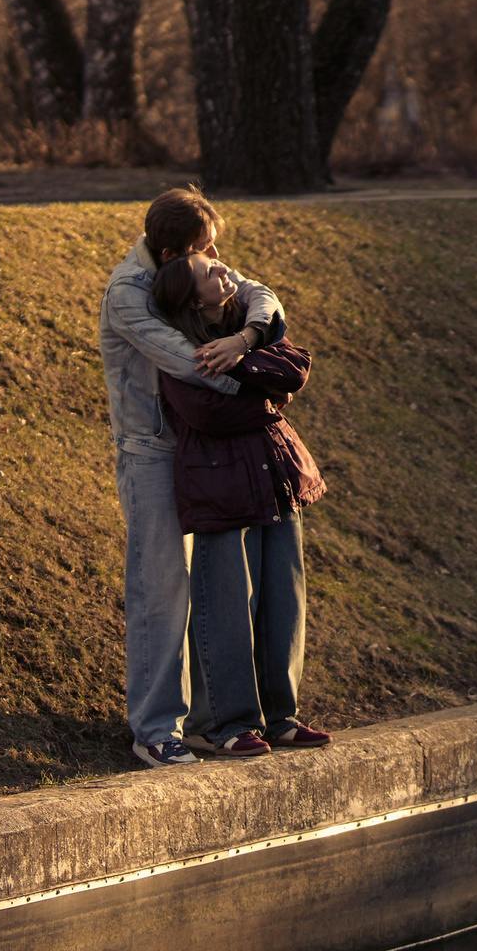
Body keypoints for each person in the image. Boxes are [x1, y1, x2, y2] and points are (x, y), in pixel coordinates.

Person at [99, 187, 284, 768]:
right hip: (153, 451)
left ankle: (215, 724)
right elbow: (187, 362)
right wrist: (262, 384)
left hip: (205, 448)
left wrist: (246, 339)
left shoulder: (197, 266)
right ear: (176, 251)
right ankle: (155, 729)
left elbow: (265, 297)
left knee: (217, 586)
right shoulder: (127, 294)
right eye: (206, 249)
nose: (219, 259)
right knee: (161, 589)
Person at [152, 252, 329, 757]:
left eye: (218, 263)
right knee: (227, 607)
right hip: (221, 487)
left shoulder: (247, 326)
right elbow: (204, 411)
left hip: (277, 480)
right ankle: (224, 723)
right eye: (209, 273)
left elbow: (296, 367)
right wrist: (266, 391)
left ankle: (281, 718)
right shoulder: (178, 349)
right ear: (191, 298)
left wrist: (243, 358)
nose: (223, 270)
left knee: (283, 602)